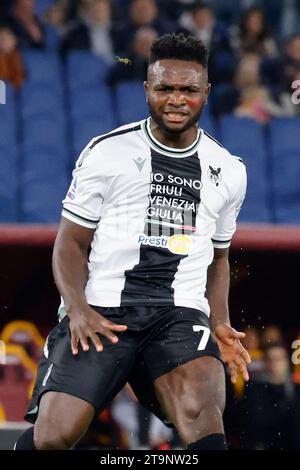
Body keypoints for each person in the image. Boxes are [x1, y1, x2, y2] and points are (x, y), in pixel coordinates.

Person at [15, 33, 250, 451]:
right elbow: (70, 244)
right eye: (165, 88)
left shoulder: (229, 171)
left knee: (204, 421)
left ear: (207, 93)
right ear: (147, 90)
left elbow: (219, 259)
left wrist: (219, 321)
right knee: (53, 437)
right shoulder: (106, 152)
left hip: (178, 314)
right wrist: (79, 310)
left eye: (188, 90)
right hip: (103, 310)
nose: (176, 99)